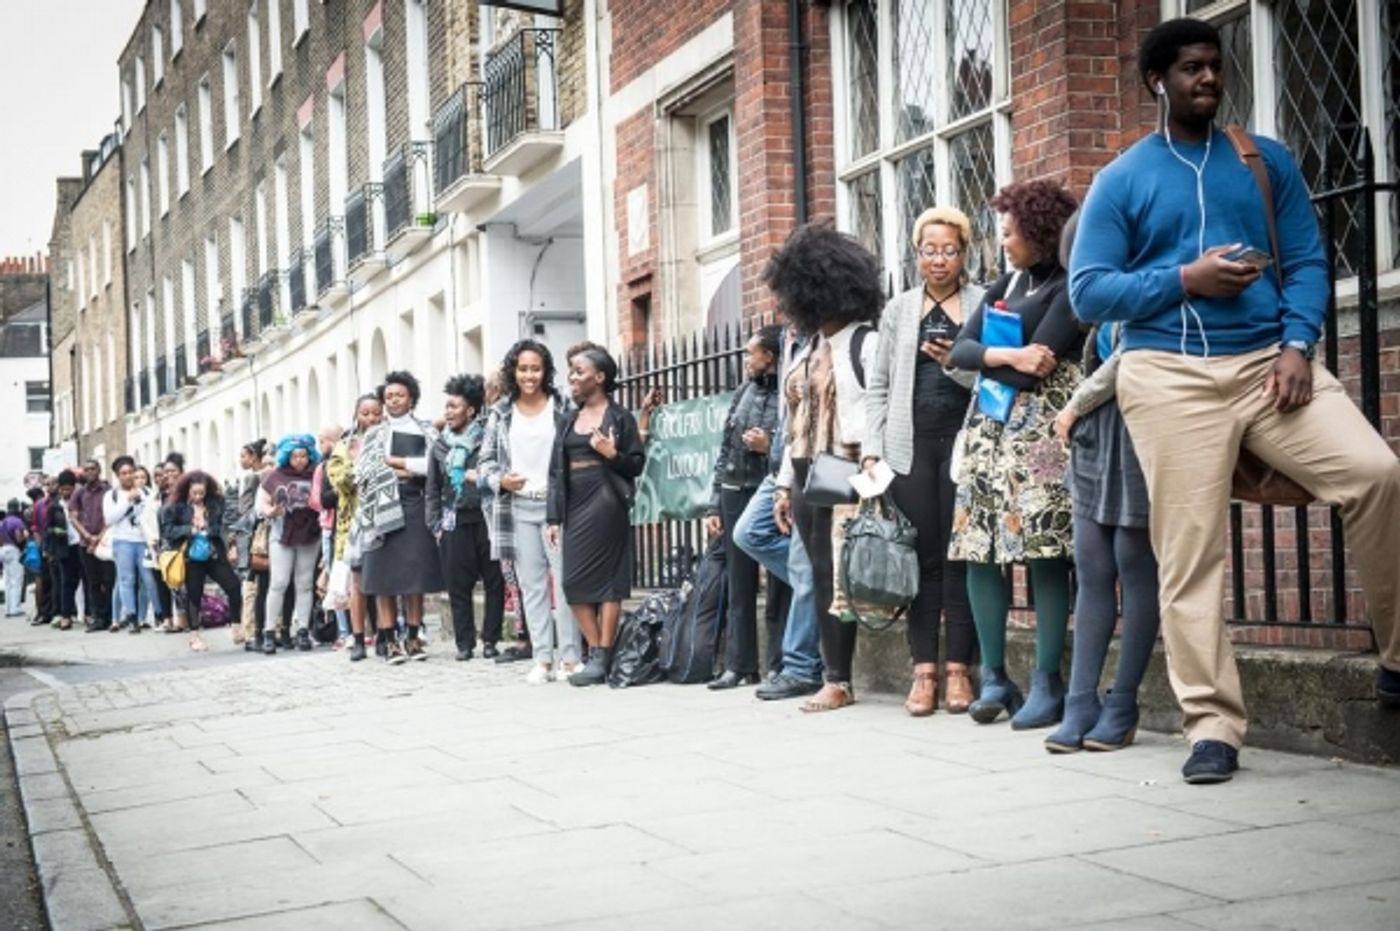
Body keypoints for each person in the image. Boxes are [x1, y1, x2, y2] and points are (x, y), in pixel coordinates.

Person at [1069, 18, 1400, 784]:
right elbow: (1089, 293)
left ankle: (1396, 653)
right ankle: (1212, 724)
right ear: (1159, 81)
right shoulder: (1122, 178)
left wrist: (1296, 345)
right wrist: (1184, 279)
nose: (1209, 79)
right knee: (1190, 554)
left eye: (1215, 67)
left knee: (1377, 472)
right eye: (1191, 68)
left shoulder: (1263, 161)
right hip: (1167, 372)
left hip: (1265, 363)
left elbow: (1310, 260)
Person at [948, 179, 1083, 729]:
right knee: (980, 547)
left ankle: (1048, 681)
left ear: (1041, 232)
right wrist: (1006, 354)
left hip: (1042, 436)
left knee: (1045, 550)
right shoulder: (1005, 285)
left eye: (1010, 231)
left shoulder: (1070, 287)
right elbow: (961, 350)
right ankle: (996, 677)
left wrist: (990, 360)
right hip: (988, 432)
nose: (1002, 240)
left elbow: (1042, 366)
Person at [863, 206, 983, 715]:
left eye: (949, 250)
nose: (939, 260)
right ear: (917, 253)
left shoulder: (982, 302)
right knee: (920, 559)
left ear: (964, 253)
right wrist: (871, 448)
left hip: (963, 447)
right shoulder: (898, 310)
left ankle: (959, 671)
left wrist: (952, 364)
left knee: (961, 559)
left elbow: (993, 381)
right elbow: (880, 385)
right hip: (908, 450)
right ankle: (923, 673)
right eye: (930, 250)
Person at [768, 223, 884, 713]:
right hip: (806, 469)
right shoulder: (809, 347)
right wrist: (782, 486)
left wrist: (872, 480)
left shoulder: (866, 343)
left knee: (839, 574)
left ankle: (839, 680)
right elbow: (794, 422)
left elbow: (875, 415)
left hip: (845, 467)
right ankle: (833, 675)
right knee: (819, 573)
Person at [1043, 316, 1161, 753]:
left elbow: (1126, 359)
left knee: (1135, 566)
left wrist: (1075, 405)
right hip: (1095, 435)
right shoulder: (1099, 307)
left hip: (1136, 429)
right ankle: (1079, 702)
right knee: (1091, 568)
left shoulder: (1146, 289)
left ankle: (1123, 704)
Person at [479, 340, 579, 684]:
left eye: (535, 368)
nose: (529, 375)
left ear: (545, 370)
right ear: (513, 371)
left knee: (566, 583)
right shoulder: (501, 412)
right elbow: (485, 461)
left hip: (558, 507)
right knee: (532, 585)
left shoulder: (563, 403)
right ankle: (543, 660)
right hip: (518, 507)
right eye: (523, 369)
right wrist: (500, 480)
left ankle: (570, 658)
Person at [546, 346, 646, 687]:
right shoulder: (567, 419)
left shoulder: (620, 417)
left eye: (578, 371)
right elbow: (554, 473)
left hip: (607, 502)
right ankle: (601, 650)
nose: (572, 378)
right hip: (575, 503)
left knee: (608, 584)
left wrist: (612, 453)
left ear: (599, 378)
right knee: (572, 583)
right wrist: (553, 518)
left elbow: (635, 464)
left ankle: (600, 657)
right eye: (571, 372)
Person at [704, 326, 783, 690]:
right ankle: (740, 665)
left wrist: (770, 447)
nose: (746, 359)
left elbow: (794, 442)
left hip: (770, 491)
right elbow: (723, 450)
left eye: (751, 353)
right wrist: (714, 505)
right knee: (739, 583)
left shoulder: (787, 391)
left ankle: (779, 664)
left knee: (780, 585)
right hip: (736, 490)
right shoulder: (743, 391)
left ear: (769, 356)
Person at [358, 371, 445, 663]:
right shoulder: (374, 434)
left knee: (414, 574)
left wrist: (399, 465)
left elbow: (434, 465)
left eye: (400, 395)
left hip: (415, 503)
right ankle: (389, 638)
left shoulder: (426, 430)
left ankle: (413, 636)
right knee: (384, 575)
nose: (394, 400)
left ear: (411, 398)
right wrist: (408, 469)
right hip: (380, 508)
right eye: (389, 396)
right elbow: (366, 470)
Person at [428, 374, 506, 662]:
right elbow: (433, 488)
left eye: (454, 406)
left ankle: (491, 640)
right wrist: (435, 523)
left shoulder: (487, 438)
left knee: (494, 582)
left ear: (471, 410)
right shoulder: (439, 445)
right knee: (457, 584)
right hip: (453, 519)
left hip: (486, 517)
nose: (448, 412)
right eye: (446, 406)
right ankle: (464, 642)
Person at [328, 393, 386, 662]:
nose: (371, 418)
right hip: (354, 522)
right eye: (366, 413)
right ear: (356, 415)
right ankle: (359, 638)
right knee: (359, 582)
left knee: (385, 581)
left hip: (385, 517)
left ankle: (386, 635)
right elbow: (338, 479)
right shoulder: (345, 445)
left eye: (376, 412)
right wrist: (356, 462)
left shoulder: (389, 438)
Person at [161, 471, 243, 653]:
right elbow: (168, 531)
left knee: (234, 585)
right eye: (194, 493)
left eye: (201, 493)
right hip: (191, 556)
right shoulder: (176, 506)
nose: (198, 497)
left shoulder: (215, 503)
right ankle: (194, 636)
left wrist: (212, 529)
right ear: (187, 490)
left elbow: (226, 524)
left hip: (214, 553)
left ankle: (236, 626)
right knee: (194, 595)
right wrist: (189, 529)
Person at [257, 435, 322, 653]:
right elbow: (262, 504)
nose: (300, 460)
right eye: (295, 456)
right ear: (287, 456)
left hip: (309, 533)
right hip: (282, 533)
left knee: (304, 583)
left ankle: (302, 630)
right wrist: (272, 511)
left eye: (304, 455)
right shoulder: (275, 475)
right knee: (278, 582)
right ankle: (269, 631)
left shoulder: (317, 473)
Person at [102, 456, 164, 635]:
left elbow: (152, 515)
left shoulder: (146, 492)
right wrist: (127, 501)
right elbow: (110, 518)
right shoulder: (111, 495)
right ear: (117, 476)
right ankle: (131, 617)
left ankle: (159, 614)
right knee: (126, 580)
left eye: (130, 472)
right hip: (123, 541)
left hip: (143, 541)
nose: (128, 476)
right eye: (123, 473)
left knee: (149, 580)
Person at [309, 424, 349, 648]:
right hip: (330, 526)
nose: (320, 445)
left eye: (322, 440)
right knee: (338, 581)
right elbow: (317, 501)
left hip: (344, 525)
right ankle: (343, 631)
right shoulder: (322, 468)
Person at [70, 460, 114, 632]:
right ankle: (98, 617)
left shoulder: (108, 491)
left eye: (92, 469)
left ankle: (111, 617)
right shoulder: (79, 493)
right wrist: (87, 536)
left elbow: (112, 517)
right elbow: (73, 517)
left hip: (105, 542)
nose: (89, 472)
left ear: (99, 470)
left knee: (109, 580)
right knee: (92, 582)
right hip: (85, 543)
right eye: (86, 469)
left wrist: (99, 536)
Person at [44, 471, 83, 630]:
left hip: (81, 544)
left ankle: (88, 613)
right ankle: (65, 615)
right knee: (66, 581)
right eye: (63, 489)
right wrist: (55, 532)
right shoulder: (54, 506)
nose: (66, 492)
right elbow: (48, 528)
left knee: (86, 580)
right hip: (64, 548)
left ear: (74, 488)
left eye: (69, 489)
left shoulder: (80, 502)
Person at [0, 499, 27, 617]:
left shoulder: (2, 522)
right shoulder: (17, 521)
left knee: (8, 580)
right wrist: (24, 537)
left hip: (3, 549)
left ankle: (8, 608)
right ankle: (15, 609)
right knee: (16, 580)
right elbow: (18, 537)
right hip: (13, 550)